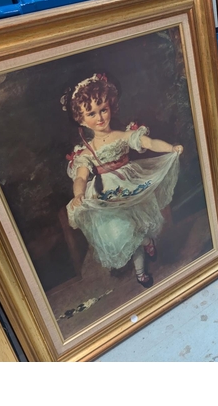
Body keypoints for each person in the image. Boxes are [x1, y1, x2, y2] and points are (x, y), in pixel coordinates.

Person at [61, 73, 183, 288]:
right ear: (81, 118)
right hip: (109, 195)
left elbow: (150, 142)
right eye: (91, 113)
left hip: (131, 185)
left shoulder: (124, 135)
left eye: (103, 110)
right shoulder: (85, 152)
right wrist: (78, 194)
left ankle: (140, 273)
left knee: (138, 226)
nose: (99, 118)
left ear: (111, 106)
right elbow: (81, 176)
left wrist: (171, 148)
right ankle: (146, 245)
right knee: (125, 233)